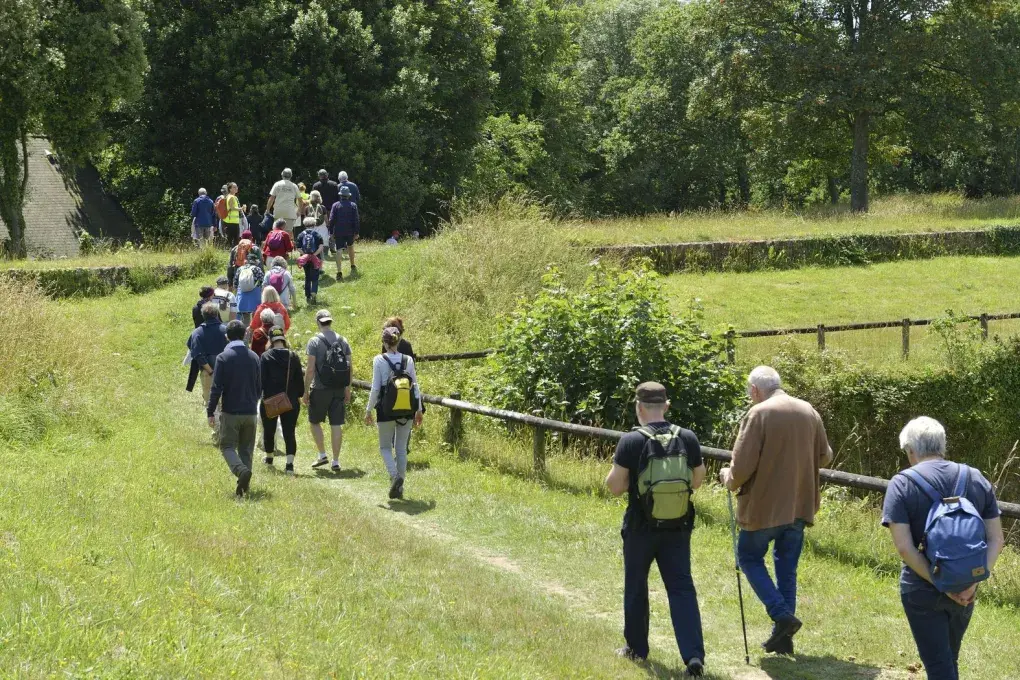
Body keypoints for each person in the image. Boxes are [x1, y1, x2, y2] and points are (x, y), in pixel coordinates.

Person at [718, 366, 832, 655]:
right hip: (799, 504)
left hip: (764, 507)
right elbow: (826, 456)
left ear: (755, 390)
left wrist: (727, 478)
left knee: (748, 557)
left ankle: (781, 615)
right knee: (787, 569)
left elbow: (741, 467)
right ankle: (783, 639)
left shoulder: (759, 414)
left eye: (749, 393)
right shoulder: (809, 411)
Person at [882, 417, 1005, 680]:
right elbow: (997, 539)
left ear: (911, 450)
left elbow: (905, 548)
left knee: (939, 666)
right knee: (949, 658)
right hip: (967, 586)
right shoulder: (975, 477)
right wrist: (972, 580)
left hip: (922, 587)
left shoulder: (901, 483)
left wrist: (942, 584)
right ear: (942, 445)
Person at [605, 382, 706, 677]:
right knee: (681, 587)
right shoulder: (687, 437)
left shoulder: (631, 441)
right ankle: (693, 656)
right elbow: (697, 481)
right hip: (678, 526)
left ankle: (636, 649)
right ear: (666, 406)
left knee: (636, 585)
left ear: (639, 408)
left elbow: (614, 486)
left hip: (640, 527)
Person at [365, 326, 424, 500]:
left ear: (384, 342)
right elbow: (416, 386)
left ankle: (394, 476)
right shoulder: (408, 360)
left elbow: (376, 388)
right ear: (398, 341)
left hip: (385, 409)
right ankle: (400, 486)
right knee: (401, 449)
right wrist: (418, 410)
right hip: (406, 409)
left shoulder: (378, 360)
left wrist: (368, 410)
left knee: (384, 447)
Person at [207, 320, 261, 497]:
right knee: (246, 449)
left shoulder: (223, 357)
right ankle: (243, 489)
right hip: (251, 411)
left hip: (231, 411)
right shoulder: (254, 357)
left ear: (226, 336)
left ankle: (240, 471)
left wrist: (211, 411)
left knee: (227, 446)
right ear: (245, 334)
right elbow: (259, 386)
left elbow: (216, 388)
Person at [303, 309, 352, 472]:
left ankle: (322, 454)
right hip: (338, 389)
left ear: (318, 322)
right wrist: (347, 388)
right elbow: (349, 367)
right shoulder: (343, 340)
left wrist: (305, 391)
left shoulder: (314, 342)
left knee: (314, 421)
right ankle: (336, 461)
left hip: (320, 388)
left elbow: (310, 369)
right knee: (336, 424)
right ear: (330, 321)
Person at [261, 327, 305, 475]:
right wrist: (299, 395)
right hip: (290, 401)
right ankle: (290, 465)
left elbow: (261, 380)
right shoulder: (294, 356)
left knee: (269, 430)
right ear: (283, 339)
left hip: (270, 400)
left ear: (271, 340)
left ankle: (269, 458)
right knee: (289, 432)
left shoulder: (265, 357)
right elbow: (300, 381)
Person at [187, 303, 227, 422]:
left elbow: (197, 354)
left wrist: (210, 370)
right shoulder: (226, 330)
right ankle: (226, 428)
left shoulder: (197, 332)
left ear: (203, 315)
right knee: (226, 402)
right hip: (226, 372)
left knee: (211, 404)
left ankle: (216, 432)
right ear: (216, 314)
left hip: (207, 372)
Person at [329, 184, 360, 280]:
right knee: (350, 246)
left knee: (339, 250)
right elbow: (356, 220)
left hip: (339, 231)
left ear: (340, 195)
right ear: (348, 195)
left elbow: (332, 219)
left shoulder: (335, 205)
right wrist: (357, 232)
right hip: (350, 231)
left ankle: (339, 272)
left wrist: (331, 232)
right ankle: (352, 265)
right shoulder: (353, 205)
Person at [266, 168, 302, 235]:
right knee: (288, 234)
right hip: (290, 212)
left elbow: (272, 198)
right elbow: (300, 200)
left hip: (278, 212)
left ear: (282, 175)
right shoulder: (294, 186)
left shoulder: (277, 184)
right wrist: (299, 211)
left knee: (276, 232)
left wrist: (267, 210)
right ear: (291, 176)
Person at [234, 252, 265, 327]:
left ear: (246, 260)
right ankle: (254, 328)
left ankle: (245, 330)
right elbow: (263, 281)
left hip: (242, 294)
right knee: (256, 312)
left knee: (245, 314)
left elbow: (235, 282)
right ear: (255, 261)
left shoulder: (240, 269)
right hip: (254, 294)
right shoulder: (257, 269)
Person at [296, 222, 324, 305]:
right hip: (315, 258)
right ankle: (314, 294)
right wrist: (313, 255)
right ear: (314, 225)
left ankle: (308, 296)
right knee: (315, 277)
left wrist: (306, 255)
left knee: (307, 276)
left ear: (304, 225)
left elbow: (298, 248)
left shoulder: (301, 235)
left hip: (305, 259)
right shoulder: (317, 234)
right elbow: (321, 247)